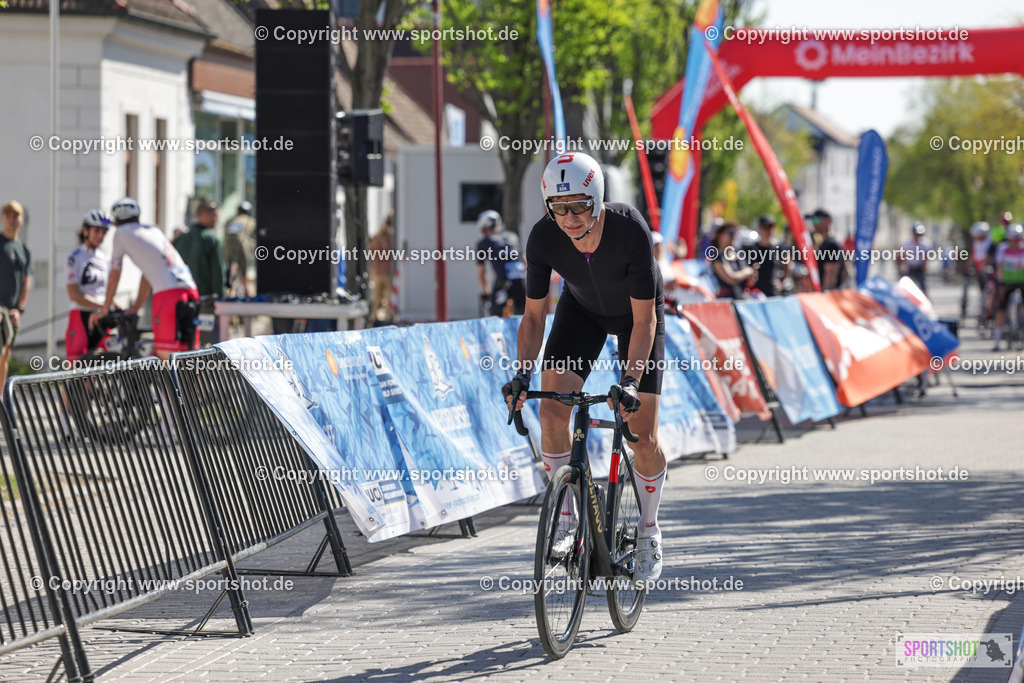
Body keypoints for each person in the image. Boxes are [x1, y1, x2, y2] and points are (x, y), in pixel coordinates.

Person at [502, 152, 667, 584]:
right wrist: (522, 374)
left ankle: (648, 528)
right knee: (551, 411)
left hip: (638, 318)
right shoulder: (542, 239)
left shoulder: (629, 229)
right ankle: (569, 520)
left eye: (579, 206)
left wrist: (629, 381)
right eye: (560, 208)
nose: (570, 218)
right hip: (583, 312)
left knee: (643, 436)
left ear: (596, 199)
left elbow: (645, 320)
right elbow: (534, 317)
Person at [90, 197, 199, 362]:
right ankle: (193, 387)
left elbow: (115, 274)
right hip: (190, 290)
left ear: (116, 222)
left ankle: (173, 388)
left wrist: (105, 308)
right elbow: (148, 274)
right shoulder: (153, 231)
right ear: (137, 217)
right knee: (188, 356)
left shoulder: (120, 233)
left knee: (167, 356)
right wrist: (136, 307)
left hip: (168, 295)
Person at [65, 210, 111, 362]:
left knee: (97, 370)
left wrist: (116, 306)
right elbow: (74, 294)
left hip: (100, 317)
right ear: (86, 230)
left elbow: (107, 291)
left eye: (104, 232)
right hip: (80, 314)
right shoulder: (74, 256)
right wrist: (105, 304)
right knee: (75, 372)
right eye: (96, 230)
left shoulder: (104, 258)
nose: (100, 236)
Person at [0, 200, 31, 388]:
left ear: (22, 219)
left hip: (13, 311)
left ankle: (2, 398)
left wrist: (19, 309)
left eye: (15, 216)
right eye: (8, 216)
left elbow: (27, 280)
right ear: (3, 219)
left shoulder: (24, 249)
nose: (12, 219)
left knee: (6, 354)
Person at [475, 209, 526, 316]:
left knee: (496, 316)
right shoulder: (513, 237)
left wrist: (486, 292)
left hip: (502, 283)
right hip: (521, 282)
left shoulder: (484, 243)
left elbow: (481, 272)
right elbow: (525, 261)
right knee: (524, 315)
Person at [174, 199, 225, 299]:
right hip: (205, 300)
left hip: (182, 298)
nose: (217, 219)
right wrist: (221, 299)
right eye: (215, 216)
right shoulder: (212, 240)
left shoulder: (180, 240)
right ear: (206, 215)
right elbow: (218, 274)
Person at [991, 224, 1024, 351]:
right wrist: (1001, 282)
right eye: (1012, 239)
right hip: (1006, 282)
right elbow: (999, 267)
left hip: (1021, 281)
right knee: (1001, 310)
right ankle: (997, 342)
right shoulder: (1002, 248)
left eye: (1017, 239)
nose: (1014, 242)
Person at [709, 221, 757, 299]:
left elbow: (748, 276)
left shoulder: (738, 253)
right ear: (721, 235)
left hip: (741, 296)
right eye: (731, 233)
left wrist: (751, 275)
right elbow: (731, 278)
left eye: (735, 233)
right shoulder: (718, 256)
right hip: (726, 300)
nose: (734, 236)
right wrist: (746, 272)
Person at [809, 209, 848, 291]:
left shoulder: (830, 245)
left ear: (828, 221)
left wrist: (825, 296)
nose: (814, 223)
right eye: (813, 220)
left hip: (828, 295)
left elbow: (831, 276)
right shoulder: (825, 244)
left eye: (816, 220)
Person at [224, 201, 255, 297]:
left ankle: (229, 291)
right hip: (242, 246)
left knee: (230, 270)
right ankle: (247, 293)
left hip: (228, 247)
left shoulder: (230, 221)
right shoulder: (250, 221)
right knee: (244, 273)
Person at [369, 210, 395, 323]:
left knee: (377, 299)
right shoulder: (392, 237)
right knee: (389, 299)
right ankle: (387, 318)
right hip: (388, 272)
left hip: (378, 272)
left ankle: (374, 319)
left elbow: (372, 254)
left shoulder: (378, 237)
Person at [898, 223, 932, 294]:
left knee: (923, 287)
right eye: (916, 234)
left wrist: (924, 268)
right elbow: (901, 256)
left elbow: (926, 257)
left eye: (920, 234)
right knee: (905, 286)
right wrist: (901, 267)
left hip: (919, 268)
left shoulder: (925, 243)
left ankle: (927, 301)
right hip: (909, 267)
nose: (918, 236)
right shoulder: (907, 243)